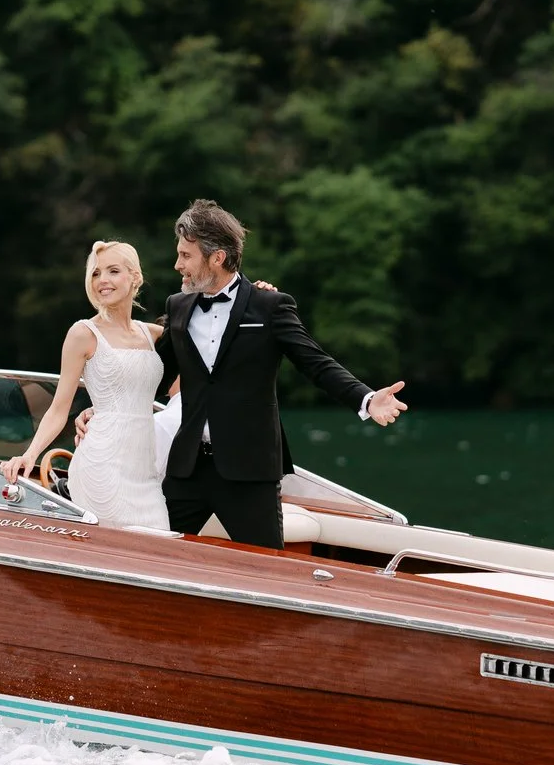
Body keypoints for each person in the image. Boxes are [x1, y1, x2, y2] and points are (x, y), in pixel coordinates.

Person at [150, 198, 407, 548]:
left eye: (186, 255)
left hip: (249, 469)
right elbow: (152, 376)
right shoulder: (176, 306)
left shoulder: (269, 305)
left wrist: (366, 397)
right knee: (154, 553)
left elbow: (313, 361)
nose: (178, 264)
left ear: (217, 258)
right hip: (187, 468)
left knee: (267, 569)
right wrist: (100, 412)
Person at [1, 241, 172, 530]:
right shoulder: (83, 333)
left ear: (135, 277)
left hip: (146, 473)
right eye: (95, 273)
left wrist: (259, 297)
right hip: (102, 465)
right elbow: (58, 409)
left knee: (156, 552)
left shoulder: (155, 335)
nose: (102, 280)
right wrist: (30, 454)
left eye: (113, 271)